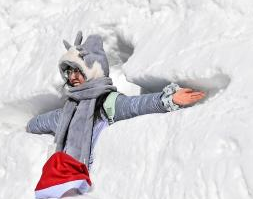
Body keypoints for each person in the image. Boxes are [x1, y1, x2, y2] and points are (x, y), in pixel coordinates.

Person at [27, 32, 206, 173]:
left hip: (88, 187)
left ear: (92, 70)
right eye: (69, 71)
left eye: (78, 70)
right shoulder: (68, 111)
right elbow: (39, 123)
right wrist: (28, 125)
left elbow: (135, 105)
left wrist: (167, 100)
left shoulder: (108, 103)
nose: (72, 76)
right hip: (61, 182)